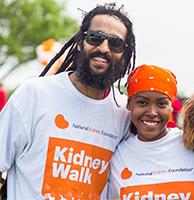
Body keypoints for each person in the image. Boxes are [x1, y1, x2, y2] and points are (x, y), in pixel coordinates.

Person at [0, 3, 136, 199]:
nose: (104, 48)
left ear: (125, 54)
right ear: (81, 42)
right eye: (95, 37)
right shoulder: (35, 94)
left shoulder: (124, 112)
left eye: (115, 43)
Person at [108, 64, 194, 200]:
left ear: (171, 107)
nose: (152, 112)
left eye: (161, 104)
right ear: (129, 105)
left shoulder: (192, 144)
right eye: (142, 103)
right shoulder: (117, 157)